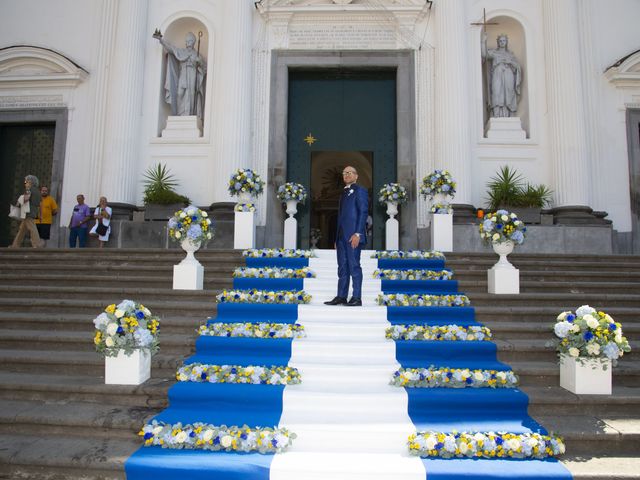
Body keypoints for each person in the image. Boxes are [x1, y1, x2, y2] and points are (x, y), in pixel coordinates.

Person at [324, 166, 369, 307]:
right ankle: (341, 296)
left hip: (354, 236)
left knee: (354, 266)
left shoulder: (360, 191)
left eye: (350, 173)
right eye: (344, 173)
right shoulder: (343, 193)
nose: (346, 175)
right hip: (342, 237)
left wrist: (358, 233)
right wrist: (337, 238)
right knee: (342, 267)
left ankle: (356, 298)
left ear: (356, 176)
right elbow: (341, 217)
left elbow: (363, 213)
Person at [154, 30, 207, 123]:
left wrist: (200, 62)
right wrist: (161, 40)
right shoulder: (182, 52)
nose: (188, 43)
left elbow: (204, 68)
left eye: (190, 41)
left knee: (191, 94)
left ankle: (190, 114)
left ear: (194, 42)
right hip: (183, 75)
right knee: (180, 93)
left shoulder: (197, 55)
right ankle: (180, 115)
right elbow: (171, 48)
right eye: (187, 41)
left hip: (193, 75)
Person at [482, 32, 522, 118]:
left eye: (504, 40)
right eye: (500, 41)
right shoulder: (494, 52)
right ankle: (496, 115)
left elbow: (517, 67)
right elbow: (484, 54)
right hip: (497, 75)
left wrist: (510, 62)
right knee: (496, 92)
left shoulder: (510, 54)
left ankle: (509, 115)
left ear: (506, 42)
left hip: (508, 75)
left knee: (509, 93)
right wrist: (483, 42)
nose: (502, 42)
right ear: (498, 42)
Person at [10, 175, 44, 248]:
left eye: (26, 181)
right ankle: (15, 245)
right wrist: (40, 215)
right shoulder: (38, 192)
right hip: (33, 211)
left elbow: (25, 199)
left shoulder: (29, 189)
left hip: (27, 212)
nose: (25, 183)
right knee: (21, 230)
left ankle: (37, 244)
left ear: (30, 182)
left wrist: (19, 200)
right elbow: (40, 204)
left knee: (32, 228)